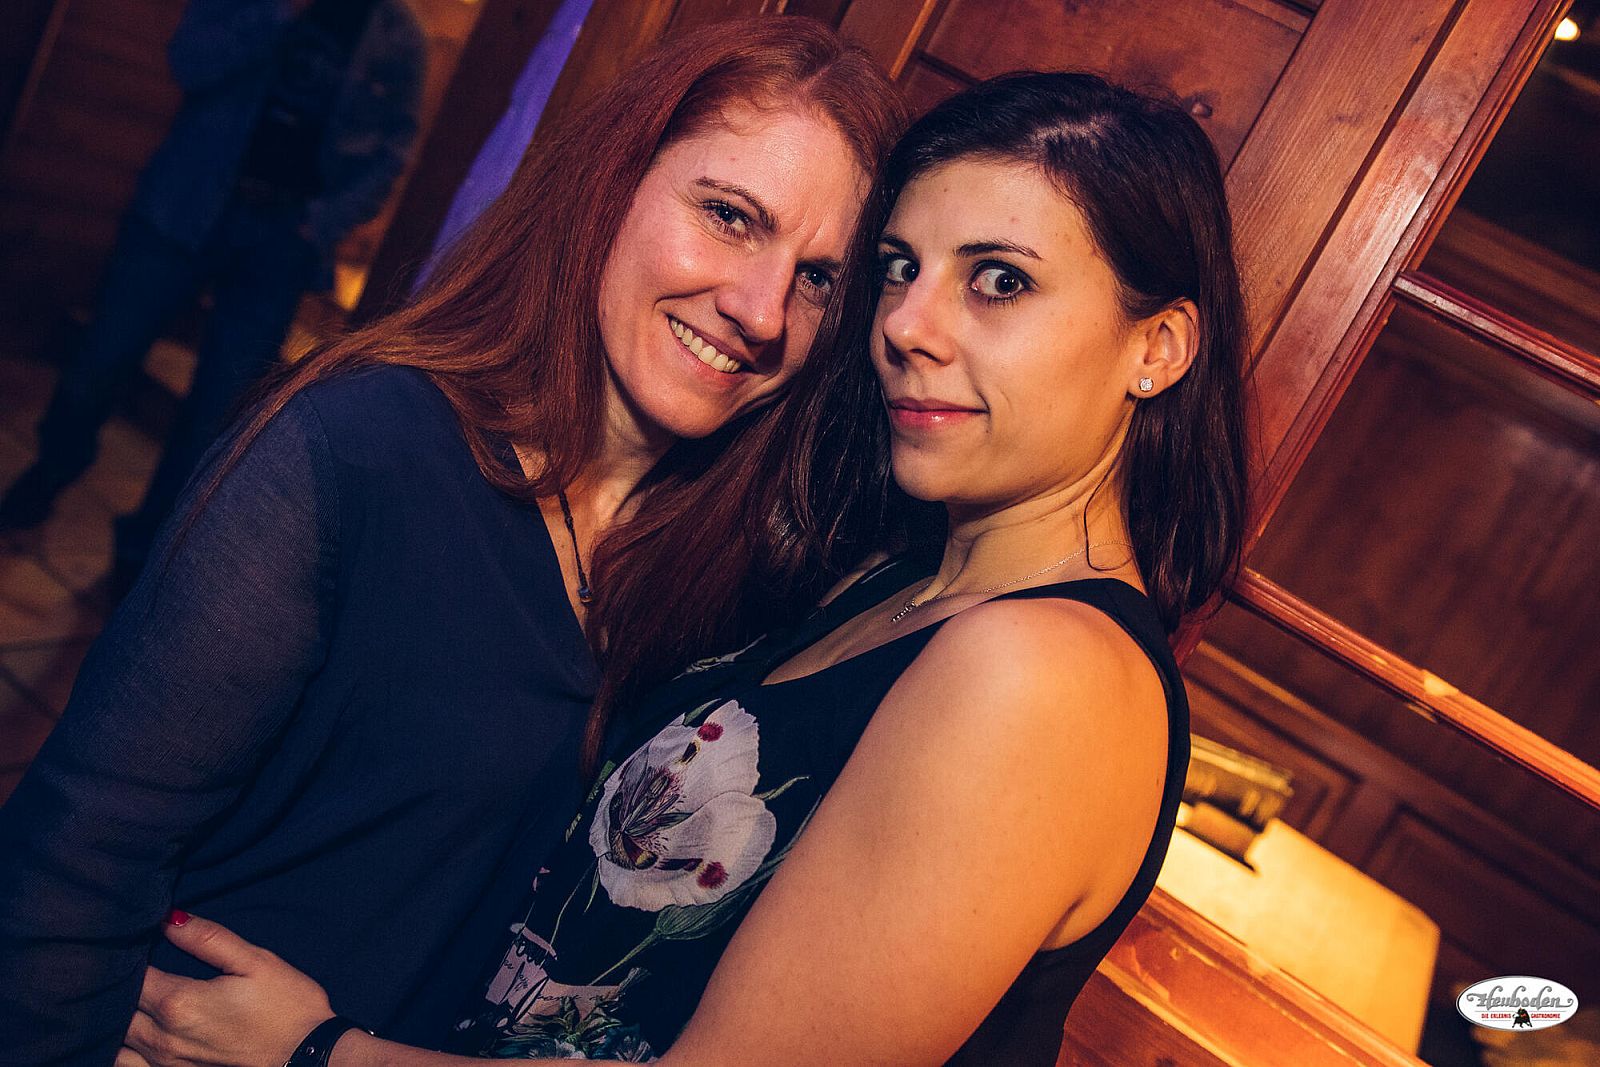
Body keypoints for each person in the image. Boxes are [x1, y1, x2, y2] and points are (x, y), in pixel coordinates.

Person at [118, 70, 1248, 1066]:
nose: (908, 324)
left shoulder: (1041, 674)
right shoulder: (902, 585)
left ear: (1156, 347)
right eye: (899, 269)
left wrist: (316, 1051)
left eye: (998, 280)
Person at [0, 17, 903, 1065]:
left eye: (818, 278)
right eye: (730, 216)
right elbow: (79, 854)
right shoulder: (353, 453)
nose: (761, 309)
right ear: (614, 182)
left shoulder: (719, 575)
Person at [0, 0, 427, 583]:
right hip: (184, 205)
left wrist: (322, 224)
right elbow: (190, 61)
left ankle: (142, 552)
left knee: (217, 410)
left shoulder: (398, 37)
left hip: (282, 241)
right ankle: (51, 472)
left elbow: (392, 152)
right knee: (102, 357)